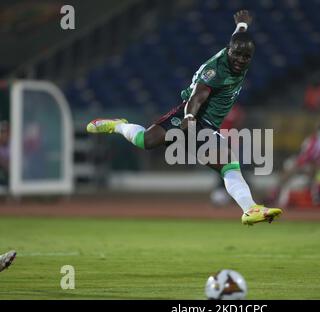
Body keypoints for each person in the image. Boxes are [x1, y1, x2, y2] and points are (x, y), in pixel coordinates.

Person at [86, 10, 282, 226]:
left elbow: (239, 39)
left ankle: (250, 208)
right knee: (148, 142)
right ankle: (118, 126)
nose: (241, 60)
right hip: (192, 116)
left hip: (205, 124)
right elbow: (198, 95)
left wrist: (242, 25)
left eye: (246, 57)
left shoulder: (237, 48)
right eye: (237, 55)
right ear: (229, 51)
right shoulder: (215, 72)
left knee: (225, 165)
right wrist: (189, 116)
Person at [268, 122, 320, 207]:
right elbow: (305, 156)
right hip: (306, 164)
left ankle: (319, 195)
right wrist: (304, 165)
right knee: (289, 171)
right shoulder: (311, 140)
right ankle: (274, 193)